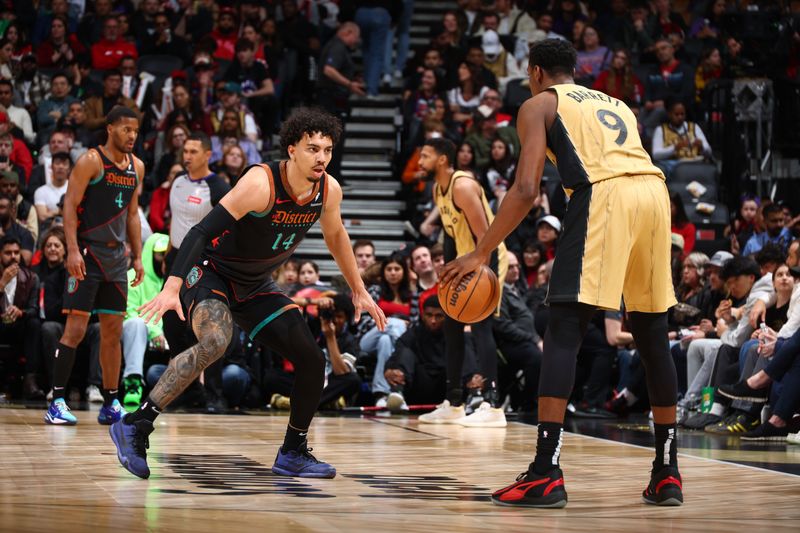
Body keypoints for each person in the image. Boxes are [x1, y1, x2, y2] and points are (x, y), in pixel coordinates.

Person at [441, 39, 683, 507]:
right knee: (654, 333)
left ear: (535, 72)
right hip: (655, 195)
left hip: (603, 196)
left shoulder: (539, 104)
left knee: (564, 329)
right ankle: (667, 471)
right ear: (574, 69)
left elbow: (527, 187)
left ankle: (545, 471)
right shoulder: (618, 103)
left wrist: (480, 253)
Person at [112, 107, 385, 480]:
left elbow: (336, 235)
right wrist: (172, 285)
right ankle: (136, 424)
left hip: (257, 285)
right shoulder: (260, 184)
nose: (321, 157)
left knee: (310, 358)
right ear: (291, 149)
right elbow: (200, 233)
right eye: (312, 148)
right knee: (217, 340)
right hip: (211, 274)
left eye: (327, 149)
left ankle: (293, 451)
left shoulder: (328, 190)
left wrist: (358, 289)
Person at [44, 106, 145, 426]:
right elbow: (70, 208)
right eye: (126, 129)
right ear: (110, 128)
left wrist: (139, 256)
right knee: (74, 329)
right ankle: (57, 400)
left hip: (117, 260)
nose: (132, 136)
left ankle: (111, 401)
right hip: (87, 254)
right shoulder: (90, 161)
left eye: (136, 131)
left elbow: (131, 215)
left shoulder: (137, 167)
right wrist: (72, 250)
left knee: (113, 333)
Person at [417, 138, 508, 427]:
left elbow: (487, 237)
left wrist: (481, 274)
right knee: (452, 327)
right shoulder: (437, 189)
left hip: (486, 259)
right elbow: (452, 235)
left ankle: (493, 406)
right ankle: (454, 402)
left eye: (426, 155)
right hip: (463, 262)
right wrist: (446, 271)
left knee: (481, 328)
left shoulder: (463, 186)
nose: (420, 161)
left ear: (442, 159)